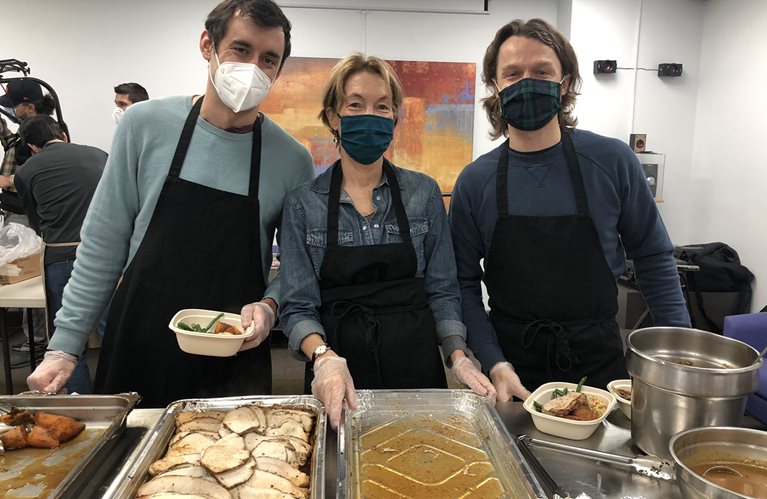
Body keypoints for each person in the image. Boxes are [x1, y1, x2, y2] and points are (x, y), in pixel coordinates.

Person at [26, 0, 314, 406]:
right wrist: (64, 346)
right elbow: (102, 246)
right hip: (140, 339)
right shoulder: (144, 125)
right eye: (240, 49)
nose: (253, 68)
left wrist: (271, 305)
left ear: (279, 70)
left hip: (234, 350)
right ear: (206, 45)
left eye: (269, 59)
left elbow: (299, 266)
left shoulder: (291, 159)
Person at [449, 18, 691, 402]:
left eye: (541, 71)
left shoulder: (612, 161)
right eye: (512, 73)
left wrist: (680, 358)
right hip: (512, 373)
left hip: (600, 368)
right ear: (495, 87)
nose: (526, 81)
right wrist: (494, 362)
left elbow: (654, 259)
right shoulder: (475, 181)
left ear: (565, 83)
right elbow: (461, 283)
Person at [279, 54, 496, 428]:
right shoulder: (303, 204)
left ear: (395, 116)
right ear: (334, 116)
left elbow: (442, 290)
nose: (371, 115)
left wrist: (458, 356)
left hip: (416, 372)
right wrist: (323, 358)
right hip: (337, 377)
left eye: (382, 106)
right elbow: (297, 306)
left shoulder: (424, 193)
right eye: (356, 104)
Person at [15, 116, 108, 393]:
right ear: (63, 135)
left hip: (60, 258)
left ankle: (81, 402)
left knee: (67, 342)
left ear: (32, 146)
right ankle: (129, 394)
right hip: (105, 255)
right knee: (115, 331)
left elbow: (34, 223)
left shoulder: (26, 171)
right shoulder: (99, 155)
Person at [0, 78, 56, 367]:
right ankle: (34, 340)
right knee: (16, 278)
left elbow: (34, 176)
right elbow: (11, 143)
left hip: (26, 216)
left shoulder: (40, 136)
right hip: (16, 215)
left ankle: (37, 343)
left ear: (28, 105)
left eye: (15, 106)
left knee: (28, 282)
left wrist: (5, 181)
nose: (13, 111)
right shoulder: (24, 133)